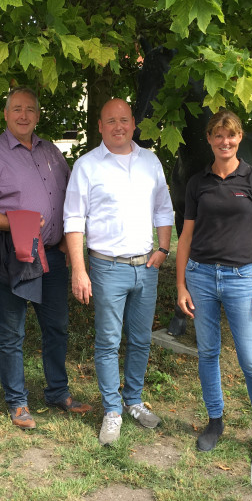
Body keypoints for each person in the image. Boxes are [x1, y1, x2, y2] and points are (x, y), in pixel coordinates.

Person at [0, 87, 91, 430]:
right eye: (16, 109)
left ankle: (57, 391)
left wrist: (67, 243)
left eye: (30, 110)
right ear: (6, 115)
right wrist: (16, 224)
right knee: (11, 331)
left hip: (51, 255)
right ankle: (17, 401)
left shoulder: (51, 151)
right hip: (11, 254)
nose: (24, 115)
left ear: (37, 115)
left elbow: (70, 202)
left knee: (57, 326)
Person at [64, 98, 173, 446]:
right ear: (100, 126)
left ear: (133, 123)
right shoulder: (87, 166)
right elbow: (73, 219)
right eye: (110, 121)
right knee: (109, 341)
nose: (118, 127)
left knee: (141, 340)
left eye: (124, 120)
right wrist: (79, 270)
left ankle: (134, 401)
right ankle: (112, 409)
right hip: (106, 267)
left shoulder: (150, 161)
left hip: (146, 267)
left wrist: (164, 249)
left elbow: (163, 208)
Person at [175, 109, 252, 452]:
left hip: (241, 279)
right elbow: (186, 237)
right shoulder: (197, 183)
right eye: (218, 135)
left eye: (231, 135)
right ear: (209, 139)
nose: (225, 142)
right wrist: (180, 284)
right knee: (207, 353)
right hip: (200, 277)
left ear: (240, 137)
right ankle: (215, 421)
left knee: (251, 359)